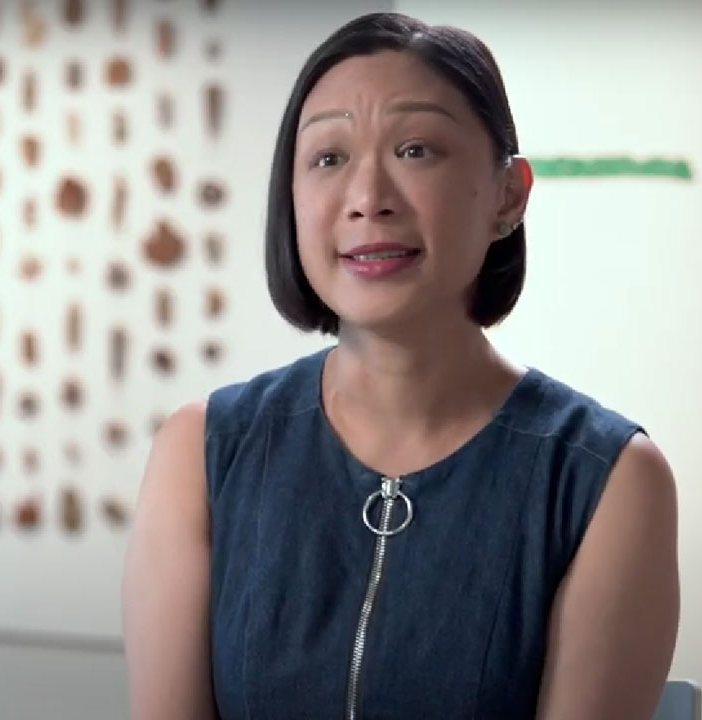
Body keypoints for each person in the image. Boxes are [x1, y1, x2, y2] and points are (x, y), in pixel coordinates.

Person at [121, 12, 680, 720]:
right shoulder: (201, 451)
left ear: (508, 196)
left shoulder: (607, 479)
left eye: (416, 150)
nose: (367, 199)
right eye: (328, 158)